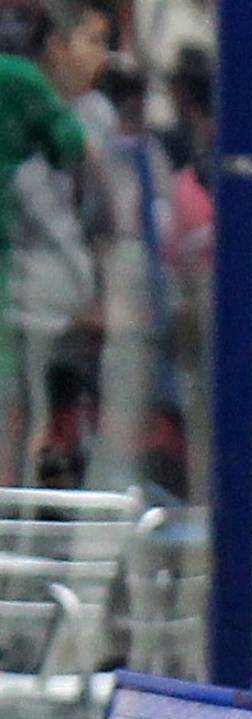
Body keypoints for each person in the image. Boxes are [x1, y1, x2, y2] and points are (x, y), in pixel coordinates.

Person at [8, 0, 113, 485]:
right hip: (33, 288)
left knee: (53, 418)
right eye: (92, 40)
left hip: (60, 294)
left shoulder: (97, 115)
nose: (104, 56)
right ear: (55, 46)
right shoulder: (25, 96)